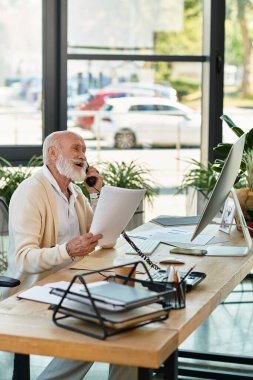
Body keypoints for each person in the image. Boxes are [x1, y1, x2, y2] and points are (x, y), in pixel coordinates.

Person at [2, 131, 137, 380]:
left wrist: (97, 193)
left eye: (84, 150)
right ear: (52, 153)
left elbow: (104, 238)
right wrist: (67, 250)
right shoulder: (31, 192)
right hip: (37, 289)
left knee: (129, 311)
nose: (83, 156)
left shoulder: (74, 193)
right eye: (76, 149)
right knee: (97, 325)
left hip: (74, 280)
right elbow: (22, 259)